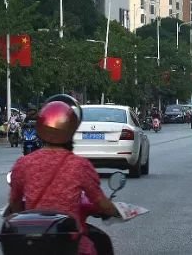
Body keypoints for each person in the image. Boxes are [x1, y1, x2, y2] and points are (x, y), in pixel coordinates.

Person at [7, 99, 117, 255]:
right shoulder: (80, 165)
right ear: (71, 129)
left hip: (34, 244)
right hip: (71, 243)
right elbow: (100, 203)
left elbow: (14, 204)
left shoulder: (23, 164)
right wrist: (116, 211)